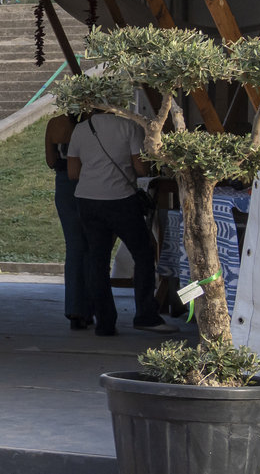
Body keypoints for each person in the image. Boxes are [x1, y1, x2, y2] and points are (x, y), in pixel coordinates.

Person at [67, 110, 178, 337]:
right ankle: (146, 315)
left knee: (97, 261)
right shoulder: (129, 127)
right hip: (121, 200)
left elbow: (72, 172)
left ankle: (105, 323)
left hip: (87, 200)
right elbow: (140, 168)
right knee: (144, 255)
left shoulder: (81, 129)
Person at [45, 112, 93, 329]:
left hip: (64, 183)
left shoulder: (55, 124)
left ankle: (74, 307)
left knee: (74, 246)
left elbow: (51, 160)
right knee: (94, 247)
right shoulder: (90, 125)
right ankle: (92, 306)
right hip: (93, 181)